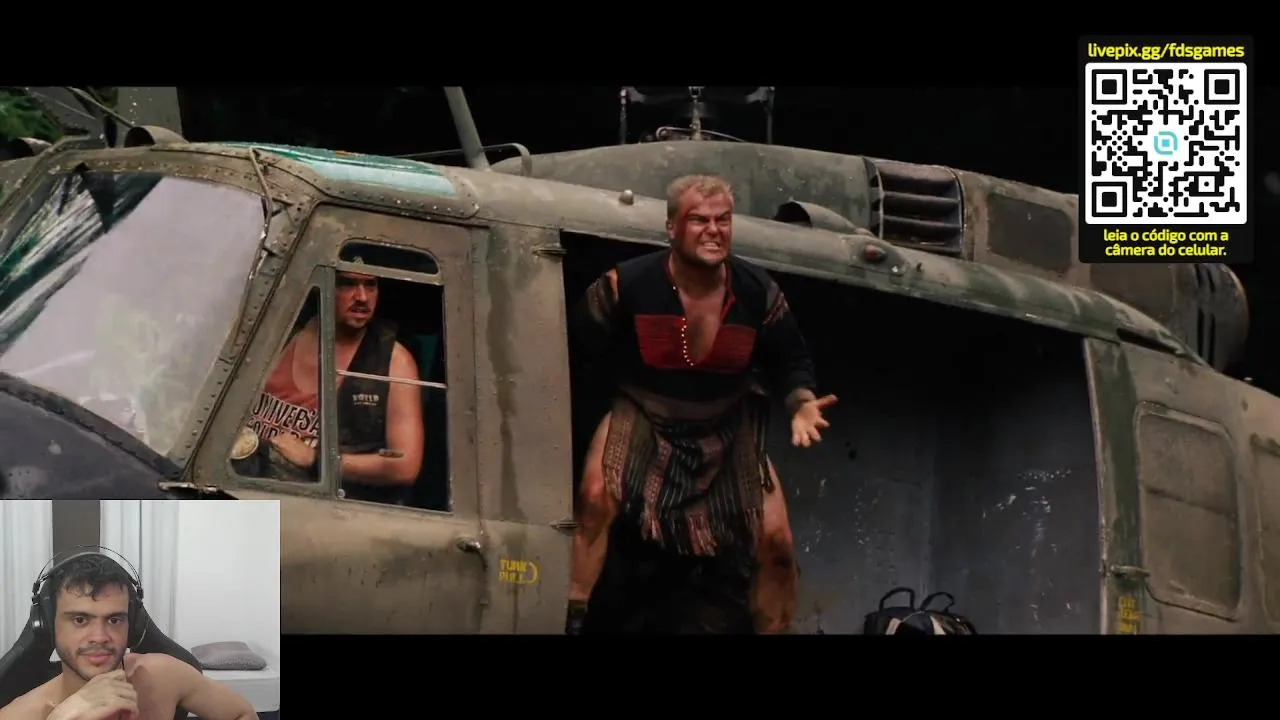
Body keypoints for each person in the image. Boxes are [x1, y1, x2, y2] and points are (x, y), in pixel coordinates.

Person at [567, 174, 836, 634]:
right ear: (672, 228)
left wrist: (802, 403)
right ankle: (569, 617)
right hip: (643, 412)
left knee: (776, 540)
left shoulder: (756, 290)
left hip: (726, 422)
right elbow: (577, 343)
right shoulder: (626, 284)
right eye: (699, 220)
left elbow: (790, 357)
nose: (713, 230)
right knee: (594, 501)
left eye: (722, 220)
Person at [245, 253, 424, 504]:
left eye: (370, 285)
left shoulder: (394, 362)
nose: (362, 297)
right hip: (244, 485)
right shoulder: (281, 332)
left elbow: (404, 466)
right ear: (322, 284)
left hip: (315, 507)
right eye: (348, 284)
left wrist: (317, 459)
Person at [0, 554, 257, 720]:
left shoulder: (164, 676)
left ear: (132, 625)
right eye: (80, 620)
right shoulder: (22, 714)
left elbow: (242, 714)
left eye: (114, 620)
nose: (100, 637)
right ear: (47, 626)